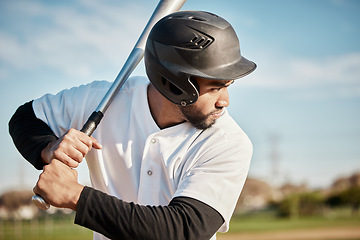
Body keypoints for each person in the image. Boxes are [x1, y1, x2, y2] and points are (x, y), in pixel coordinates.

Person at [9, 11, 256, 240]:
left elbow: (183, 229)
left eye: (227, 85)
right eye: (215, 87)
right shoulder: (102, 99)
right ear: (174, 83)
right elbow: (25, 118)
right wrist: (49, 148)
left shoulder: (229, 142)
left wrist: (76, 196)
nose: (225, 101)